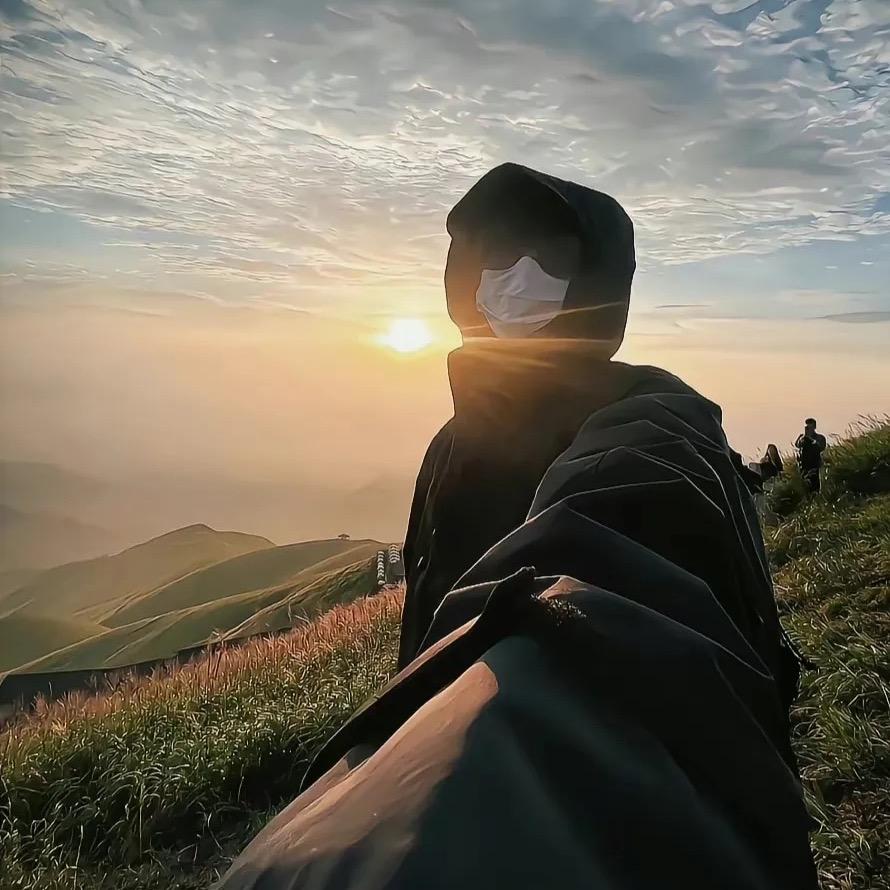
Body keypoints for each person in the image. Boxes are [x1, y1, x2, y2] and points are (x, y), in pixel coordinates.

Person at [215, 165, 816, 890]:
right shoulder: (451, 446)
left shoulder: (657, 424)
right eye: (496, 258)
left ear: (600, 285)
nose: (517, 279)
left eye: (552, 262)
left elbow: (613, 568)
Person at [795, 418, 827, 493]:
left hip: (814, 466)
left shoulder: (820, 437)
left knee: (815, 488)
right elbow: (797, 445)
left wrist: (809, 439)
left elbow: (821, 447)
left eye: (810, 427)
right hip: (803, 466)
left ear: (814, 427)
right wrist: (802, 437)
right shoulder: (802, 438)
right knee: (804, 488)